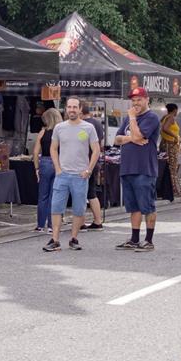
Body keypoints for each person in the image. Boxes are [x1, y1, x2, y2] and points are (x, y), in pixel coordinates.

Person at [43, 98, 100, 251]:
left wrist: (89, 169)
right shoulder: (59, 128)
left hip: (80, 176)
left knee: (79, 209)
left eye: (75, 107)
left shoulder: (88, 128)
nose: (72, 110)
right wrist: (57, 168)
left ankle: (74, 238)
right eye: (69, 107)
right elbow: (53, 148)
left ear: (80, 109)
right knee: (56, 207)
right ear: (66, 109)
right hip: (62, 175)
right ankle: (54, 239)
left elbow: (96, 150)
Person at [114, 86, 161, 251]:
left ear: (147, 99)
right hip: (127, 168)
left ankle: (148, 240)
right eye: (133, 101)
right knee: (133, 207)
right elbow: (117, 139)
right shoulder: (128, 119)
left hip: (144, 169)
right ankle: (134, 239)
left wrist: (133, 119)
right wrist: (131, 138)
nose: (135, 103)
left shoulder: (151, 117)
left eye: (139, 100)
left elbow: (139, 135)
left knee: (147, 206)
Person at [32, 107, 63, 232]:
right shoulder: (61, 132)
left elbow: (35, 152)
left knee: (42, 196)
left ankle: (40, 225)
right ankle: (51, 225)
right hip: (58, 163)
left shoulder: (42, 132)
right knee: (54, 195)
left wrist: (36, 167)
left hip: (44, 162)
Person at [79, 100, 105, 229]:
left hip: (85, 162)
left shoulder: (85, 125)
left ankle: (83, 222)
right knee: (91, 192)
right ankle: (97, 220)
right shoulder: (97, 123)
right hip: (94, 162)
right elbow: (100, 143)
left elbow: (81, 142)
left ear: (80, 110)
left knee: (84, 193)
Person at [160, 103, 181, 198]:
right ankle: (174, 190)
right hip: (170, 144)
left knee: (168, 167)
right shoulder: (171, 118)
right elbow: (164, 128)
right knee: (172, 167)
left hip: (165, 143)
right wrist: (175, 136)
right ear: (175, 110)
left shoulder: (165, 117)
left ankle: (168, 189)